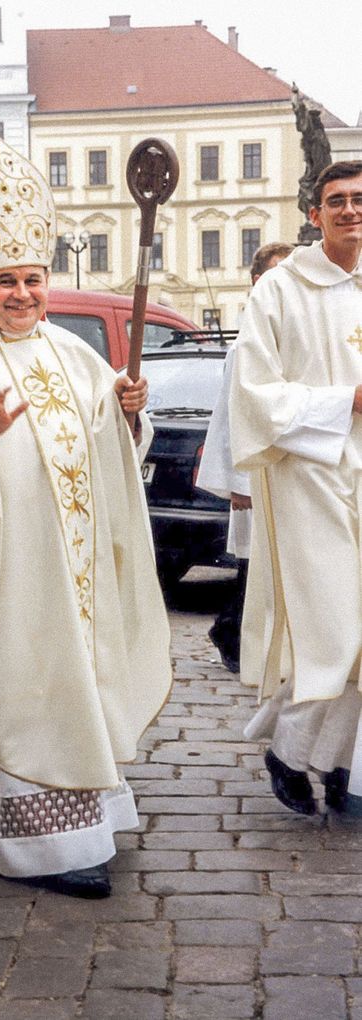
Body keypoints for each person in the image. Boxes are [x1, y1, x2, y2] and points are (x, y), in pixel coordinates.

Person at [0, 134, 171, 898]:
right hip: (3, 569)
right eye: (6, 280)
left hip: (73, 571)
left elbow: (112, 444)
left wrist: (128, 413)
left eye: (34, 280)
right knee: (17, 687)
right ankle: (35, 844)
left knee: (76, 680)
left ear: (50, 281)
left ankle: (88, 816)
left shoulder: (73, 354)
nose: (22, 294)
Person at [230, 161, 362, 816]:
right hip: (311, 472)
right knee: (334, 624)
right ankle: (288, 747)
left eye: (359, 199)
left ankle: (339, 763)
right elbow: (255, 394)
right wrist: (347, 402)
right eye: (335, 201)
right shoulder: (280, 290)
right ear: (314, 214)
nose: (349, 210)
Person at [196, 242, 293, 673]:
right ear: (258, 282)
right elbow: (232, 418)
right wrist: (237, 483)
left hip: (284, 472)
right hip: (253, 475)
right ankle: (231, 632)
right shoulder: (244, 346)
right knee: (253, 566)